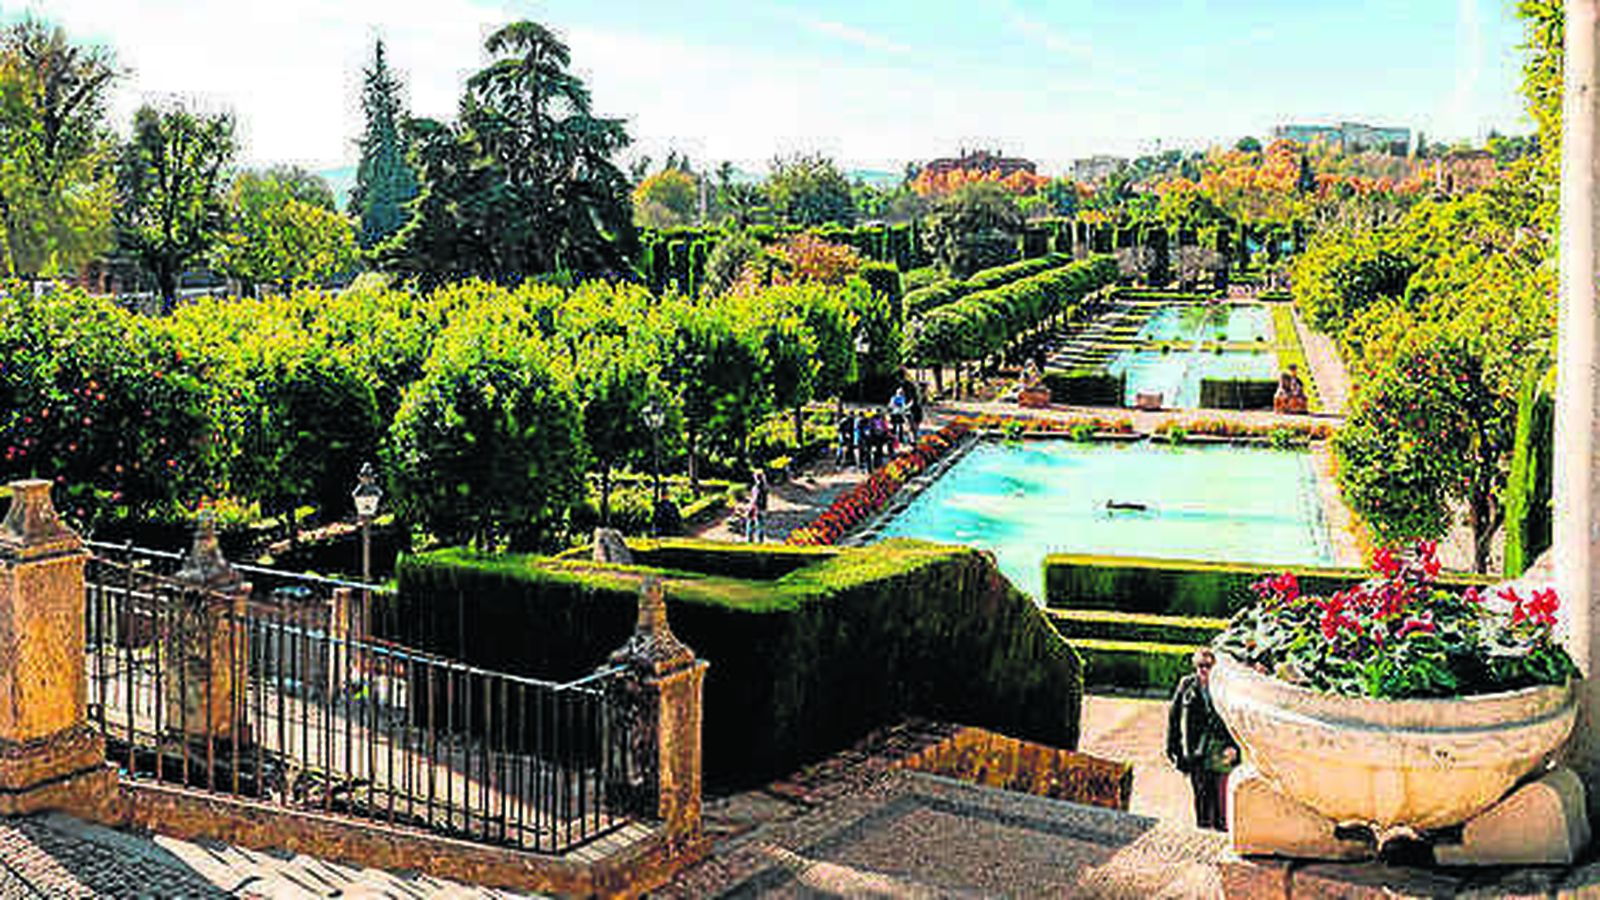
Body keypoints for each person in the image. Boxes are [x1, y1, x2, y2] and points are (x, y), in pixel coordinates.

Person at [1166, 648, 1239, 831]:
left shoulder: (1224, 687)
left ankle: (1221, 834)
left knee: (1221, 799)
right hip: (1196, 750)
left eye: (1208, 666)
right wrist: (1173, 749)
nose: (1204, 670)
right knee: (1201, 797)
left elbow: (1235, 719)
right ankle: (1204, 838)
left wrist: (1234, 746)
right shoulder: (1186, 685)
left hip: (1220, 750)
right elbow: (1174, 718)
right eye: (1200, 666)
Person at [743, 469, 770, 543]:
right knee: (760, 524)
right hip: (762, 507)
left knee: (751, 523)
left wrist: (750, 507)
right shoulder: (765, 487)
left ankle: (750, 540)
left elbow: (755, 498)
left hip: (756, 507)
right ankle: (760, 540)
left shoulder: (757, 487)